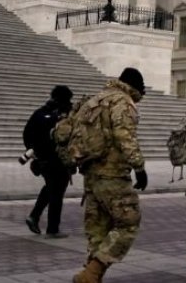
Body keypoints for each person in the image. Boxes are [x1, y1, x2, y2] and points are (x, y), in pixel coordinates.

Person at [73, 67, 148, 283]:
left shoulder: (95, 100)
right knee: (128, 222)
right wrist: (139, 167)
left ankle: (91, 276)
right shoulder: (123, 102)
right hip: (113, 174)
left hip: (91, 174)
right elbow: (124, 136)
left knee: (98, 229)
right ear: (136, 87)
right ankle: (92, 273)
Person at [23, 85, 74, 238]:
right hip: (56, 161)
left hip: (42, 160)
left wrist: (33, 151)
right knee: (57, 194)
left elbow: (26, 134)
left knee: (51, 189)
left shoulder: (39, 112)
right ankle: (52, 229)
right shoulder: (60, 116)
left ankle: (34, 216)